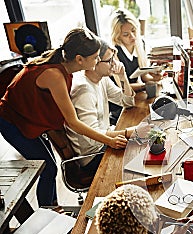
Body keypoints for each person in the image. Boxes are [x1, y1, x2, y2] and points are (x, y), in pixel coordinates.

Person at [0, 28, 129, 206]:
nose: (98, 60)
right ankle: (47, 211)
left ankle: (52, 207)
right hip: (11, 121)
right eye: (95, 57)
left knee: (50, 164)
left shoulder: (63, 66)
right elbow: (73, 122)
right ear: (79, 59)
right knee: (48, 168)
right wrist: (109, 140)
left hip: (28, 115)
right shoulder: (54, 75)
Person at [67, 39, 152, 172]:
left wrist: (123, 77)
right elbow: (92, 138)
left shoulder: (102, 79)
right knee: (145, 151)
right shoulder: (83, 91)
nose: (114, 64)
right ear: (95, 61)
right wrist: (127, 133)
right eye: (109, 60)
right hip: (93, 155)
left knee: (150, 142)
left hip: (105, 141)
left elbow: (127, 102)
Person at [110, 8, 162, 93]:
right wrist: (146, 86)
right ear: (118, 36)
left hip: (135, 93)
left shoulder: (140, 44)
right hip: (120, 98)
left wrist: (154, 78)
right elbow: (122, 88)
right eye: (126, 34)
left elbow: (144, 77)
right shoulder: (113, 52)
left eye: (133, 30)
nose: (133, 36)